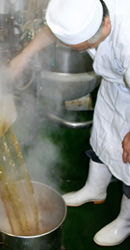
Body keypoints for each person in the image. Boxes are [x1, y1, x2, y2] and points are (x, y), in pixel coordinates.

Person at [9, 0, 130, 246]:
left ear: (106, 25)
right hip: (115, 84)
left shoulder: (127, 37)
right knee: (103, 136)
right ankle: (94, 189)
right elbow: (54, 31)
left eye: (83, 47)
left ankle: (126, 221)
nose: (78, 51)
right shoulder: (83, 7)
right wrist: (23, 57)